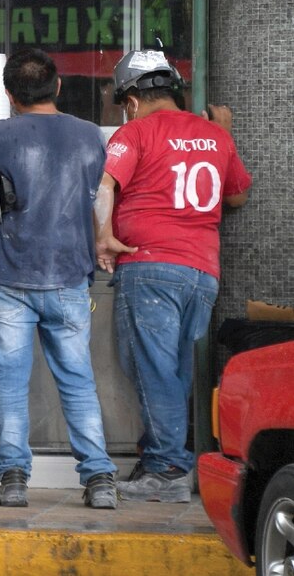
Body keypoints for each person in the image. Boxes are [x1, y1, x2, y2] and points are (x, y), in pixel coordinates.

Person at [0, 48, 118, 510]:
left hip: (11, 278)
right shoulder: (89, 136)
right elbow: (101, 197)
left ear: (7, 94)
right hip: (70, 278)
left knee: (9, 382)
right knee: (78, 380)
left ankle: (14, 478)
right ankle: (99, 479)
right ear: (57, 86)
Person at [95, 50, 251, 503]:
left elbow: (105, 187)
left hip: (149, 268)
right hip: (201, 272)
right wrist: (225, 136)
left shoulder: (135, 131)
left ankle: (166, 469)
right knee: (176, 371)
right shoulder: (214, 136)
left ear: (130, 99)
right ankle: (161, 455)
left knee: (151, 367)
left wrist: (103, 236)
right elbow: (237, 196)